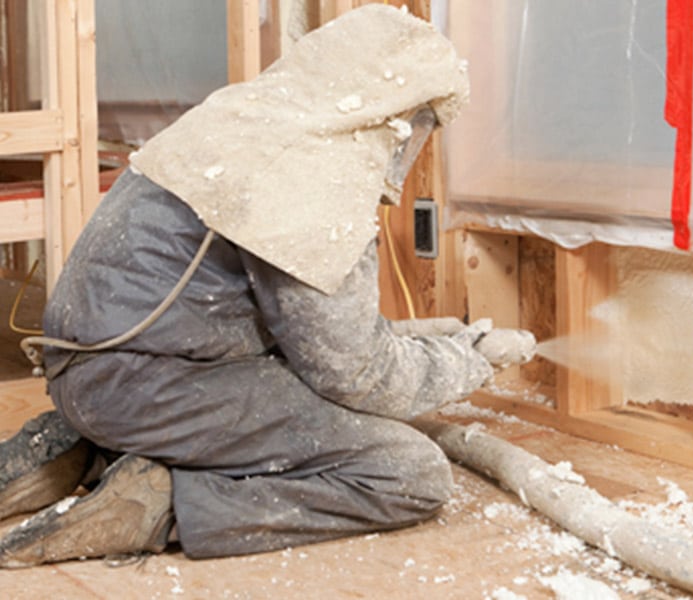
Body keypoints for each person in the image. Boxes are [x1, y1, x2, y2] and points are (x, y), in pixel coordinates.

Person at [0, 4, 533, 567]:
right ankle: (160, 505)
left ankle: (82, 448)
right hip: (147, 387)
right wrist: (467, 364)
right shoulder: (318, 173)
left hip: (93, 369)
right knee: (404, 471)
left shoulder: (243, 121)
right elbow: (353, 374)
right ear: (400, 114)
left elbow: (303, 326)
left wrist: (427, 340)